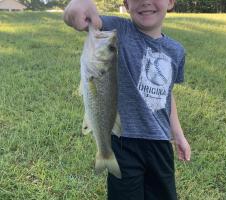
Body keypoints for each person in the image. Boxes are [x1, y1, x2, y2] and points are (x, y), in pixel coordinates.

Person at [64, 0, 191, 199]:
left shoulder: (176, 50)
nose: (146, 2)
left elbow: (167, 93)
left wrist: (179, 134)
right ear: (127, 4)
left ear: (171, 2)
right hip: (124, 144)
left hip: (160, 144)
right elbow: (74, 14)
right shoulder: (118, 30)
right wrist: (80, 5)